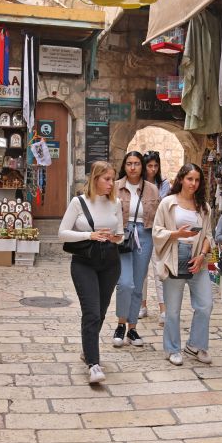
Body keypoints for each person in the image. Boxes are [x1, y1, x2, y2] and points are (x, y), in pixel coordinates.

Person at [58, 161, 124, 384]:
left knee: (102, 312)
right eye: (107, 179)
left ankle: (88, 349)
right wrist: (89, 235)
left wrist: (115, 237)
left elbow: (121, 234)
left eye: (113, 179)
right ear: (95, 178)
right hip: (84, 262)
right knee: (92, 312)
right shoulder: (79, 202)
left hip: (110, 262)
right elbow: (62, 234)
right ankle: (94, 364)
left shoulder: (116, 203)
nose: (111, 183)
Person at [152, 163, 214, 365]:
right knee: (173, 309)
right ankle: (172, 349)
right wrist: (177, 234)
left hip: (198, 259)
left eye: (197, 180)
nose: (193, 184)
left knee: (205, 305)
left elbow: (208, 236)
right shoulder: (168, 203)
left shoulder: (204, 207)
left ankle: (195, 345)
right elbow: (157, 232)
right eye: (190, 179)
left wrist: (203, 255)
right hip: (174, 257)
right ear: (181, 179)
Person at [112, 151, 159, 347]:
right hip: (122, 235)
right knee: (125, 283)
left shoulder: (151, 189)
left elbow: (157, 217)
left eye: (137, 163)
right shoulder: (115, 187)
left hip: (144, 235)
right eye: (129, 163)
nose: (133, 167)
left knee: (138, 284)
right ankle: (120, 324)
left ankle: (132, 328)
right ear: (124, 165)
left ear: (142, 166)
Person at [140, 151, 172, 324]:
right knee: (142, 271)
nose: (153, 169)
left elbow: (165, 206)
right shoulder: (139, 184)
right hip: (142, 230)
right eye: (150, 166)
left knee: (159, 270)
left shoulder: (164, 184)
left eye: (155, 166)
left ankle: (163, 309)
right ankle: (142, 306)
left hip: (159, 230)